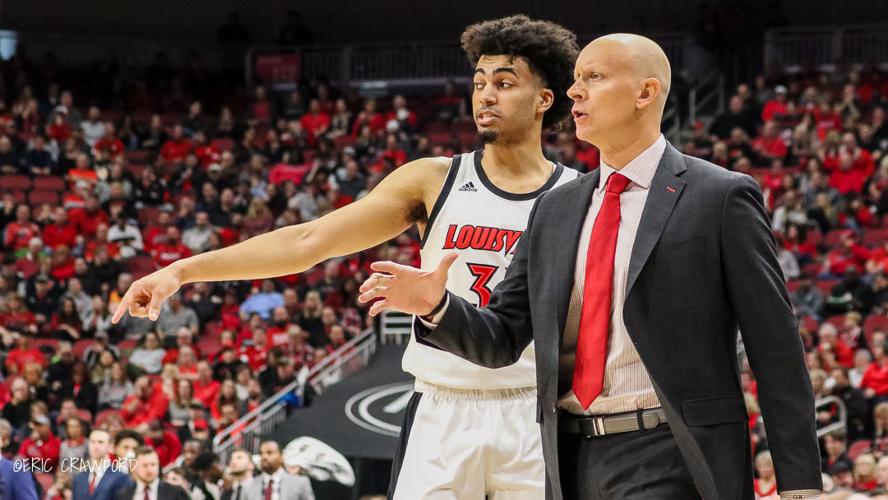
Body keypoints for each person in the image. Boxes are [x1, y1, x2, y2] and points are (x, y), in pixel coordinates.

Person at [111, 15, 579, 499]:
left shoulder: (575, 194)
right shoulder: (433, 179)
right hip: (443, 407)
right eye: (480, 82)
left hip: (533, 409)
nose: (485, 95)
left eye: (504, 84)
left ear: (544, 99)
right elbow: (307, 242)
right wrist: (183, 271)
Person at [358, 34, 822, 499]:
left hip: (672, 452)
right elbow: (502, 339)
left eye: (594, 78)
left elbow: (775, 347)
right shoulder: (555, 208)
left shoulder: (719, 196)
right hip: (568, 459)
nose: (574, 92)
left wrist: (799, 485)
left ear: (645, 93)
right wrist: (436, 305)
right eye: (576, 80)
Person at [72, 429, 133, 500]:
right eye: (92, 442)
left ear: (110, 446)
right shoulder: (78, 478)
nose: (96, 446)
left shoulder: (121, 477)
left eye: (100, 442)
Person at [243, 440, 314, 500]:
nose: (264, 456)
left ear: (281, 457)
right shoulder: (248, 485)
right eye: (261, 453)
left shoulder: (300, 483)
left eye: (269, 453)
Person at [114, 446, 188, 500]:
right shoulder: (123, 495)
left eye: (153, 464)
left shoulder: (175, 492)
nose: (149, 470)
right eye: (144, 465)